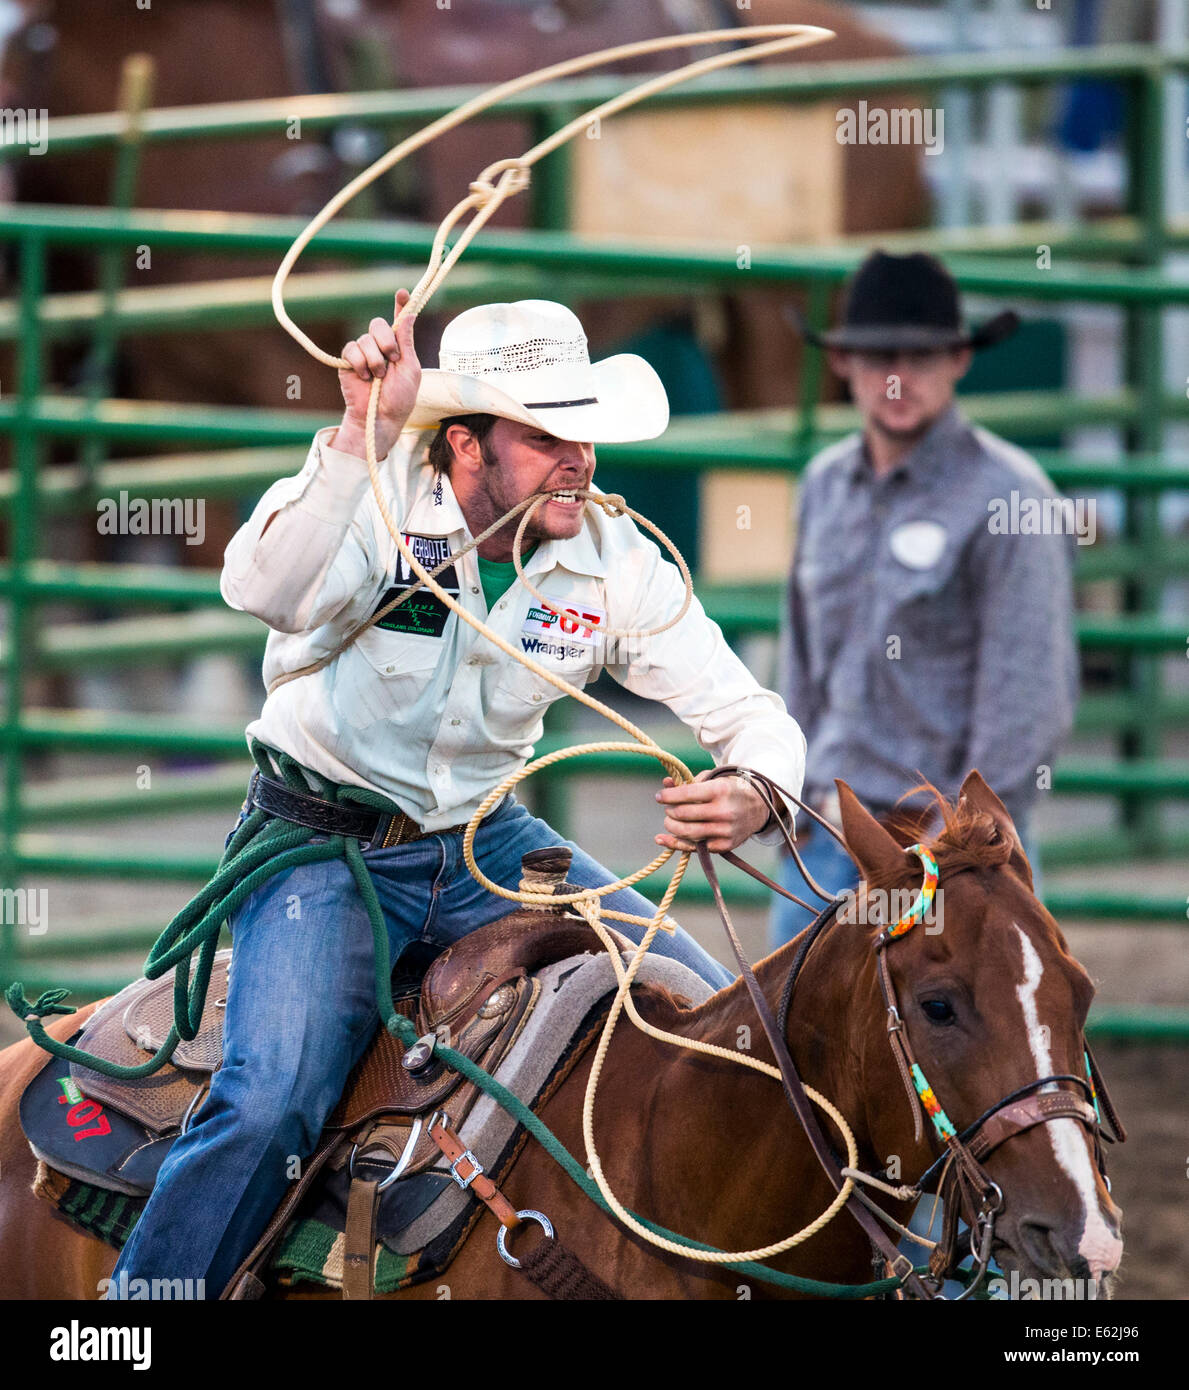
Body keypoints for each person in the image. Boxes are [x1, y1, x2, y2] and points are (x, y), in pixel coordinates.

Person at [108, 294, 808, 1297]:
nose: (581, 459)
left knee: (713, 1018)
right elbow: (261, 586)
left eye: (586, 433)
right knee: (269, 1099)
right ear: (467, 444)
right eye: (546, 435)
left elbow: (750, 713)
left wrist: (751, 791)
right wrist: (356, 434)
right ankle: (138, 1310)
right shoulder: (375, 498)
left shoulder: (611, 559)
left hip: (488, 840)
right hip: (324, 843)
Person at [770, 251, 1079, 948]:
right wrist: (792, 799)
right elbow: (800, 661)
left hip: (951, 854)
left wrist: (955, 843)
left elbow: (1025, 695)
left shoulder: (1011, 497)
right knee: (796, 1054)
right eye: (877, 355)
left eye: (920, 356)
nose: (896, 377)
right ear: (844, 364)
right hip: (827, 842)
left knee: (960, 1048)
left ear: (958, 361)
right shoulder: (824, 485)